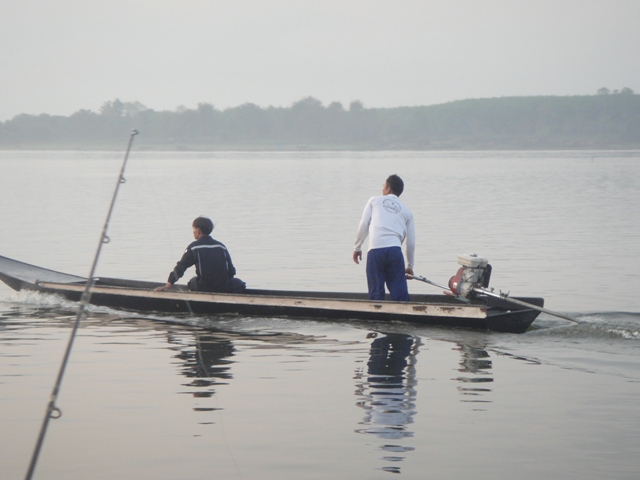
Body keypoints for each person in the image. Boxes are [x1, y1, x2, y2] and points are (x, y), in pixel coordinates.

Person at [353, 174, 415, 301]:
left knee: (376, 294)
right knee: (400, 296)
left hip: (375, 251)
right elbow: (411, 243)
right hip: (395, 252)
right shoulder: (407, 211)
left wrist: (357, 247)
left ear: (388, 189)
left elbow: (364, 224)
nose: (382, 189)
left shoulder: (374, 201)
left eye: (383, 186)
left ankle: (377, 317)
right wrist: (410, 266)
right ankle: (405, 317)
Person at [154, 216, 246, 293]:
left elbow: (181, 267)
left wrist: (168, 285)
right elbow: (232, 271)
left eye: (193, 229)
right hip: (225, 288)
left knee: (192, 282)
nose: (193, 232)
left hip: (205, 288)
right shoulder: (221, 246)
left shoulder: (194, 247)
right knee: (239, 283)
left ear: (198, 231)